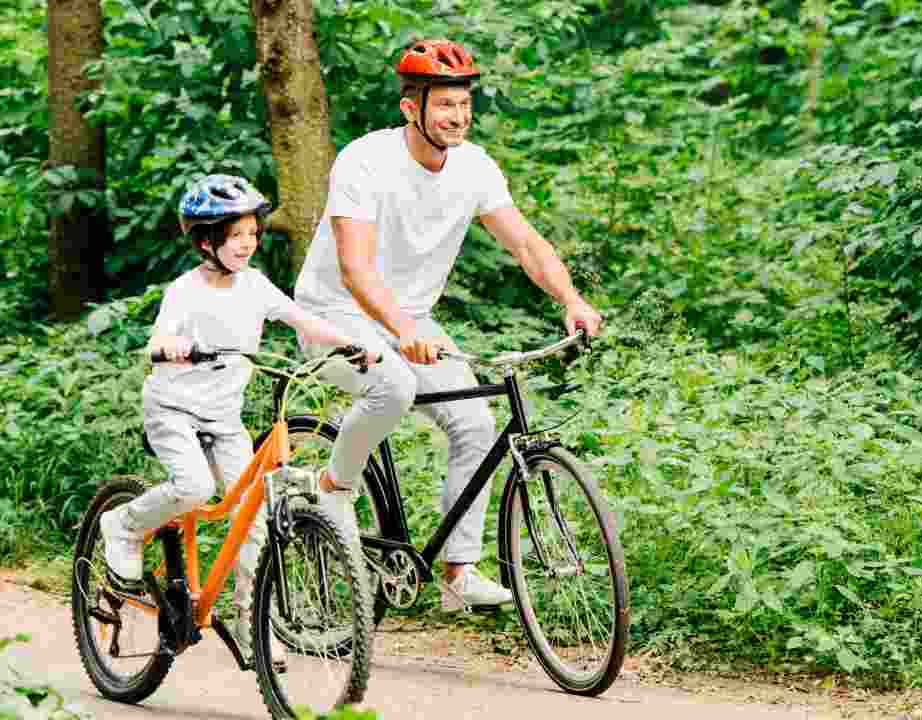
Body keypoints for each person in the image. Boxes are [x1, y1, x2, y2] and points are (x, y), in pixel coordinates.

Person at [293, 38, 603, 613]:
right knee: (395, 385)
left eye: (463, 105)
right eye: (444, 106)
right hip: (334, 316)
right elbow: (355, 268)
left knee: (476, 423)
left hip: (411, 323)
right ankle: (333, 488)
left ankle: (457, 573)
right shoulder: (364, 161)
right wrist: (401, 327)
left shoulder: (475, 167)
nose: (458, 117)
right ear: (411, 107)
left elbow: (528, 245)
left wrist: (571, 299)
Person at [99, 174, 375, 665]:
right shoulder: (186, 291)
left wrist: (349, 342)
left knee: (255, 520)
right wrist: (173, 348)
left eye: (252, 234)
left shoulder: (254, 285)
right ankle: (121, 524)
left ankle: (253, 625)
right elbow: (155, 342)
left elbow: (298, 318)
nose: (247, 244)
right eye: (236, 236)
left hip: (225, 420)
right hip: (174, 412)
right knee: (195, 488)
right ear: (207, 241)